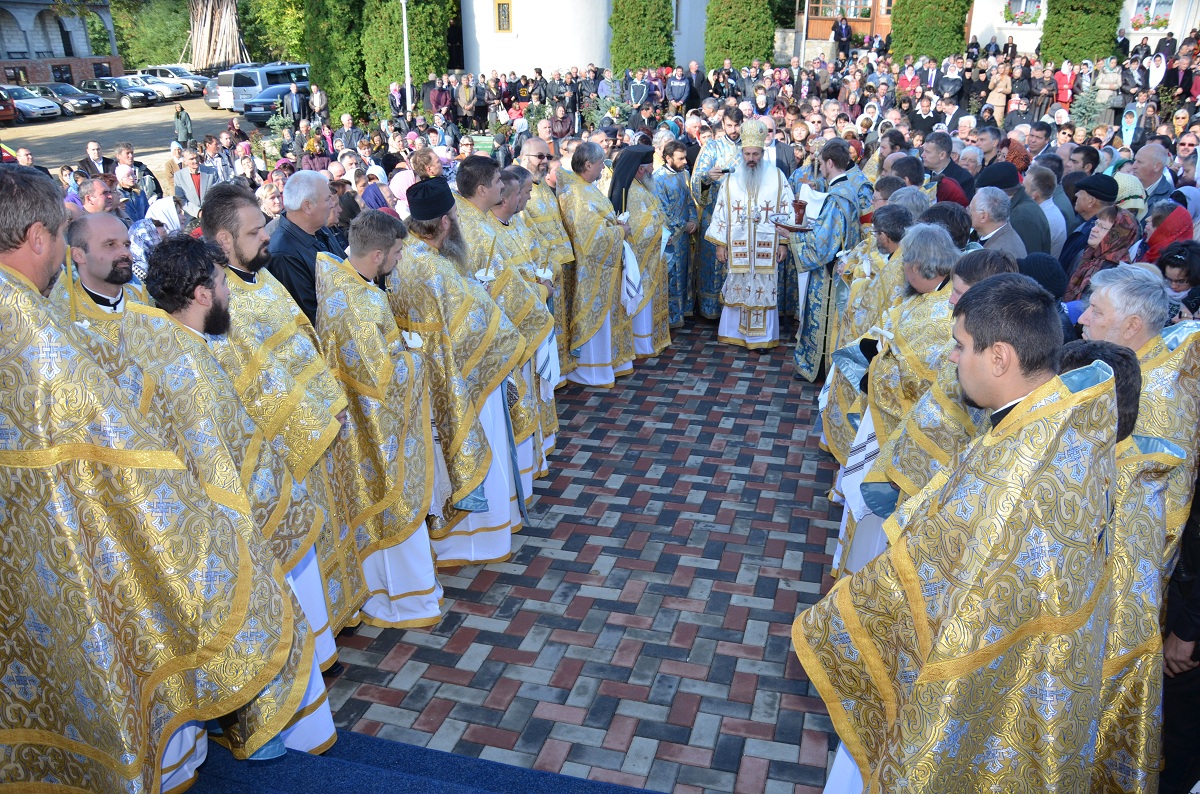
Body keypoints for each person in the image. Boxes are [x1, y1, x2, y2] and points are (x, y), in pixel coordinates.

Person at [0, 164, 308, 792]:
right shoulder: (35, 332)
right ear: (38, 238)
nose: (63, 248)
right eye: (63, 235)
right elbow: (125, 461)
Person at [796, 272, 1119, 793]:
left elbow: (951, 579)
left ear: (1000, 358)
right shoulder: (1058, 420)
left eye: (960, 345)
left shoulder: (1015, 472)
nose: (951, 357)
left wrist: (835, 621)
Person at [132, 232, 333, 770]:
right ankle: (265, 729)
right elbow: (233, 458)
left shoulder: (148, 333)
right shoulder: (195, 368)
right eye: (222, 283)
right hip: (223, 530)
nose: (227, 293)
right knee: (255, 621)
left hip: (180, 526)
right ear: (201, 293)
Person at [202, 182, 363, 666]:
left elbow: (305, 343)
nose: (267, 236)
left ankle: (335, 620)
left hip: (320, 422)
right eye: (255, 231)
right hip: (285, 447)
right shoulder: (221, 302)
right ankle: (311, 647)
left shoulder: (263, 278)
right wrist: (315, 418)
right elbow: (254, 383)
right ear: (225, 241)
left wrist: (332, 401)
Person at [1077, 265, 1200, 793]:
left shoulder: (1154, 402)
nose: (1081, 319)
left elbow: (1155, 528)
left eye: (1095, 311)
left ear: (1130, 326)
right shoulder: (1130, 369)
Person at [313, 209, 443, 627]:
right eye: (398, 251)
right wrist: (416, 357)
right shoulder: (361, 302)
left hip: (365, 427)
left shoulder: (345, 282)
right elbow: (380, 382)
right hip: (374, 431)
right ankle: (403, 599)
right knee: (393, 502)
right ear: (376, 256)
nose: (402, 258)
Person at [387, 176, 526, 562]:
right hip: (461, 379)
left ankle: (450, 540)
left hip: (426, 379)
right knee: (477, 447)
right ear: (446, 223)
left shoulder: (406, 255)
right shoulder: (438, 268)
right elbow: (484, 330)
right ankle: (480, 538)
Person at [867, 248, 1019, 515]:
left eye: (959, 293)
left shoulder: (989, 361)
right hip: (913, 463)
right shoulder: (967, 337)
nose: (949, 300)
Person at [455, 156, 555, 498]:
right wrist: (541, 295)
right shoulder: (475, 228)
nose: (504, 186)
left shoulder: (473, 219)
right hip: (491, 340)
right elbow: (503, 288)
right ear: (483, 189)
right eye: (499, 181)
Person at [703, 118, 793, 352]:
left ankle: (760, 338)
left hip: (766, 246)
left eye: (755, 154)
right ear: (742, 153)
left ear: (762, 153)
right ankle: (734, 334)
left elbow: (786, 210)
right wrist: (720, 245)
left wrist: (783, 243)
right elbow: (721, 210)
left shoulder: (777, 176)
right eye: (747, 154)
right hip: (738, 247)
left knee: (764, 286)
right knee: (738, 284)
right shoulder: (731, 178)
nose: (751, 159)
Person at [557, 141, 633, 387]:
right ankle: (591, 370)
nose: (604, 168)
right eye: (601, 163)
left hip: (604, 267)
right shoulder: (576, 194)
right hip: (591, 269)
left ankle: (607, 363)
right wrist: (620, 232)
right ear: (588, 164)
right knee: (595, 318)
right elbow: (590, 237)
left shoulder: (586, 188)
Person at [787, 138, 863, 378]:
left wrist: (791, 236)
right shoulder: (848, 190)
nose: (819, 168)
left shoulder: (836, 198)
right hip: (841, 266)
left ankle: (818, 367)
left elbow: (822, 245)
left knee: (823, 318)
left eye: (820, 163)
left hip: (828, 273)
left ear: (830, 163)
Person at [610, 145, 671, 358]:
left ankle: (650, 341)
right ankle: (642, 344)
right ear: (640, 170)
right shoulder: (633, 192)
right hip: (642, 259)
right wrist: (663, 234)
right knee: (642, 300)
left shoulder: (639, 186)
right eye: (651, 166)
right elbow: (642, 229)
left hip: (654, 255)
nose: (653, 170)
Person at [49, 212, 146, 345]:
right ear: (78, 255)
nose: (125, 253)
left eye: (126, 244)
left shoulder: (144, 299)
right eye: (110, 245)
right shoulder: (59, 314)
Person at [267, 170, 345, 324]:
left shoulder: (321, 230)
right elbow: (311, 316)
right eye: (327, 199)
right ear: (307, 206)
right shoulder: (283, 253)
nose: (332, 205)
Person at [691, 107, 744, 319]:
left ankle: (734, 308)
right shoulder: (711, 147)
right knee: (713, 264)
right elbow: (697, 181)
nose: (733, 130)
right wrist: (707, 178)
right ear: (722, 125)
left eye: (737, 125)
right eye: (729, 125)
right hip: (714, 215)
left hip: (741, 217)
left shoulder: (749, 149)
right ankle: (711, 309)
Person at [652, 140, 698, 329]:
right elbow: (662, 211)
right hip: (670, 237)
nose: (685, 161)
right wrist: (683, 225)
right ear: (668, 158)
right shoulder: (658, 179)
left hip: (685, 235)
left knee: (684, 273)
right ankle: (671, 317)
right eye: (680, 158)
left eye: (685, 157)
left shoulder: (683, 174)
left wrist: (693, 219)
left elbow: (689, 200)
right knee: (672, 277)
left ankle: (683, 311)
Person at [1063, 204, 1138, 301]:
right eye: (1096, 224)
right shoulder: (1085, 254)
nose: (1093, 229)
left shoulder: (1119, 273)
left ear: (1118, 236)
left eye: (1102, 227)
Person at [1023, 164, 1067, 258]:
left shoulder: (1045, 218)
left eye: (1024, 187)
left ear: (1034, 195)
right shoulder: (1046, 211)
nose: (1020, 190)